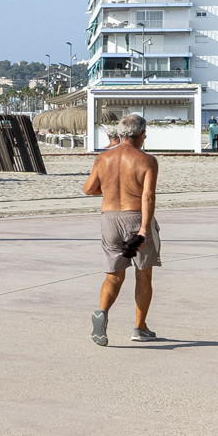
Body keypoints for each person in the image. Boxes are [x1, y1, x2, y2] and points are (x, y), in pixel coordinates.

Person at [81, 113, 161, 346]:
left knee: (113, 274)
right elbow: (148, 196)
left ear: (120, 133)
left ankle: (102, 311)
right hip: (135, 218)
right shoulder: (147, 160)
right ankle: (140, 328)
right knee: (143, 273)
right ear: (142, 135)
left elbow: (88, 189)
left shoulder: (103, 158)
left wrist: (109, 190)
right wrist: (144, 229)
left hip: (110, 219)